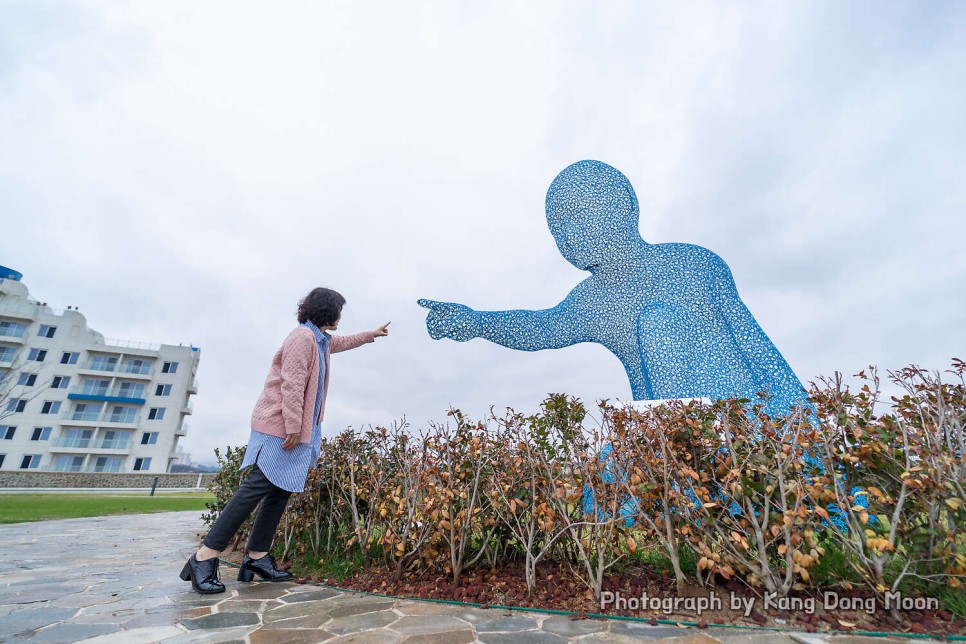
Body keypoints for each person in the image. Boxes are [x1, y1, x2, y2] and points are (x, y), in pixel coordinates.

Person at [418, 159, 808, 418]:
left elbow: (755, 344)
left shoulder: (694, 263)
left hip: (753, 422)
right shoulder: (591, 301)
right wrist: (476, 322)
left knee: (658, 324)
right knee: (606, 482)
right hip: (669, 444)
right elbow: (543, 329)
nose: (566, 237)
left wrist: (805, 427)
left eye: (576, 217)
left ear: (623, 207)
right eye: (557, 229)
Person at [180, 287, 390, 593]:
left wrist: (371, 334)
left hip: (293, 428)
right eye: (339, 310)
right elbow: (291, 385)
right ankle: (204, 556)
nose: (341, 316)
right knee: (254, 490)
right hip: (280, 427)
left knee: (279, 491)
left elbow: (341, 342)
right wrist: (293, 427)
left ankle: (257, 557)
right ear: (327, 310)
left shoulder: (319, 340)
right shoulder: (302, 338)